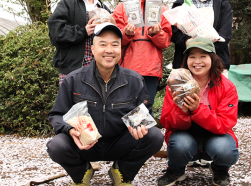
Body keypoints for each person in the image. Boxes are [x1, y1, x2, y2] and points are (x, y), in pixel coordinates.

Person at [46, 23, 164, 186]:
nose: (109, 50)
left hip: (119, 143)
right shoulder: (73, 79)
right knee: (56, 145)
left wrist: (140, 125)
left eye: (115, 45)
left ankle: (122, 172)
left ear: (120, 50)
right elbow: (56, 115)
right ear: (93, 49)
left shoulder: (134, 80)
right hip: (86, 144)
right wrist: (70, 130)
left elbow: (145, 113)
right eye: (103, 44)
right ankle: (82, 173)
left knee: (154, 136)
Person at [158, 37, 239, 186]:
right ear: (186, 60)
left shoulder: (227, 87)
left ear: (212, 59)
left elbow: (224, 124)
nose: (197, 61)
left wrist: (197, 110)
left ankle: (220, 169)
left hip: (215, 135)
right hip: (185, 135)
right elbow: (167, 122)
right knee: (179, 144)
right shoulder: (176, 85)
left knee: (226, 150)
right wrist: (182, 111)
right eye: (192, 56)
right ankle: (176, 170)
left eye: (203, 56)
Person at [113, 0, 172, 110]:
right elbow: (115, 40)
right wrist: (126, 34)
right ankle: (126, 133)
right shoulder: (121, 8)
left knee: (146, 107)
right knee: (125, 106)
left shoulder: (162, 10)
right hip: (127, 66)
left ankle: (147, 133)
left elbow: (165, 42)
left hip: (151, 67)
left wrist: (156, 33)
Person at [48, 0, 112, 85]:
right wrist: (83, 31)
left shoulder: (104, 9)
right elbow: (56, 33)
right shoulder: (67, 4)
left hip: (100, 70)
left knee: (98, 104)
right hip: (72, 70)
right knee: (71, 104)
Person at [171, 0, 233, 77]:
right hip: (186, 64)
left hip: (217, 62)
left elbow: (225, 35)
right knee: (188, 95)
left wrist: (206, 52)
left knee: (217, 95)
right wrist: (187, 41)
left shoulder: (223, 4)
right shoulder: (181, 3)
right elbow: (174, 33)